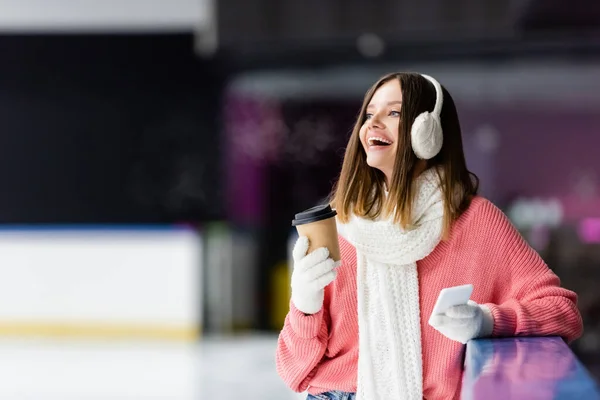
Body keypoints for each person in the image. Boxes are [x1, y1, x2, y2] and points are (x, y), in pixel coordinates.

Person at [275, 72, 583, 400]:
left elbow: (562, 312)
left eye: (393, 113)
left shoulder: (475, 222)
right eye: (368, 114)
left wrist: (487, 321)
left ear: (427, 131)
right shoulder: (341, 228)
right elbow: (294, 371)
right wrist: (304, 305)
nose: (372, 124)